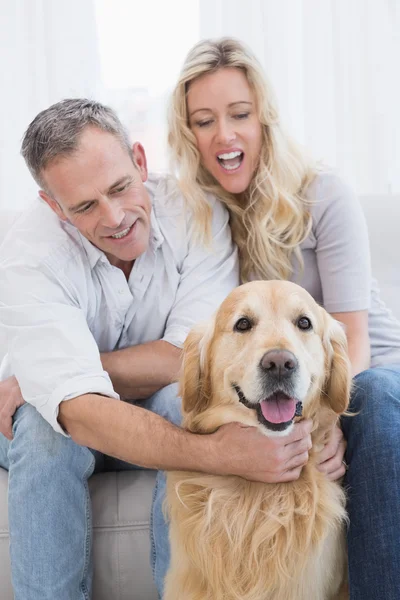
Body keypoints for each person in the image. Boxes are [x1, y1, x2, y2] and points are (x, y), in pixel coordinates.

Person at [0, 98, 317, 600]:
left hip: (117, 399)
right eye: (83, 206)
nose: (115, 217)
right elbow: (76, 413)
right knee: (44, 428)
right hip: (36, 420)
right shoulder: (27, 258)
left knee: (185, 402)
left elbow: (192, 358)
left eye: (121, 187)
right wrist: (217, 454)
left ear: (141, 162)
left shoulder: (196, 215)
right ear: (54, 207)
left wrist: (63, 372)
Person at [161, 37, 400, 600]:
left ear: (264, 118)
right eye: (204, 120)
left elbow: (354, 342)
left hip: (368, 375)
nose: (225, 135)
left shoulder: (324, 195)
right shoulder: (203, 222)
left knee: (376, 399)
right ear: (188, 135)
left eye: (240, 114)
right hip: (281, 386)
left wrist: (331, 423)